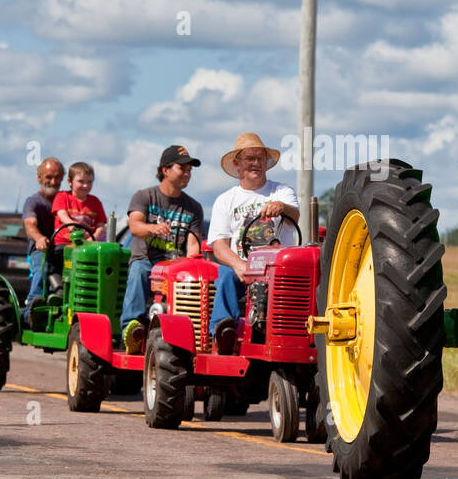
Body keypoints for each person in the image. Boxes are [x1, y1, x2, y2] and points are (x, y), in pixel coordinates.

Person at [207, 133, 299, 347]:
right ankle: (222, 333)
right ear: (237, 164)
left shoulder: (282, 192)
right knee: (226, 276)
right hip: (242, 268)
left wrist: (282, 207)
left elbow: (294, 216)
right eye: (250, 158)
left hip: (277, 269)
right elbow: (219, 245)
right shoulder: (225, 200)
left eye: (260, 158)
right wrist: (240, 265)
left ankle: (299, 335)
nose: (256, 163)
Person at [119, 146, 205, 353]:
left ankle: (196, 335)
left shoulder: (194, 207)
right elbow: (135, 226)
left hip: (175, 267)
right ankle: (132, 330)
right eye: (182, 168)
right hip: (148, 262)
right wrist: (152, 228)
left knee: (198, 281)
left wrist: (196, 267)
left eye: (189, 170)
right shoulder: (144, 196)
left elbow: (193, 245)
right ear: (165, 170)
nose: (187, 173)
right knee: (139, 270)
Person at [21, 156, 64, 321]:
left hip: (63, 250)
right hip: (42, 249)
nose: (53, 181)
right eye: (49, 177)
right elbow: (30, 223)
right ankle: (31, 313)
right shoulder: (33, 202)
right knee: (43, 268)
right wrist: (39, 238)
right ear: (39, 178)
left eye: (57, 177)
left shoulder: (66, 201)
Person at [51, 161, 106, 241]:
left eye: (89, 182)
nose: (85, 185)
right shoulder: (62, 196)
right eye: (81, 181)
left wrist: (92, 238)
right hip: (64, 243)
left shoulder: (96, 202)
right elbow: (62, 215)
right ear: (70, 182)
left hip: (87, 243)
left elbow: (100, 226)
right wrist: (71, 224)